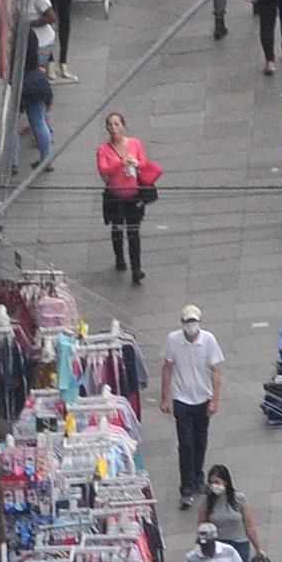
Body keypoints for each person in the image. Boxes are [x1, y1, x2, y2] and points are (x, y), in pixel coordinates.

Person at [161, 308, 225, 505]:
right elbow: (167, 368)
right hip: (182, 399)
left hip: (202, 398)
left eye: (194, 321)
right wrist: (165, 397)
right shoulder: (173, 340)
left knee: (200, 442)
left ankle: (197, 476)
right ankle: (186, 487)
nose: (191, 325)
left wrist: (214, 399)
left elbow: (215, 370)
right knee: (186, 444)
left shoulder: (208, 340)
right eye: (188, 321)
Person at [95, 112, 160, 282]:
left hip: (133, 194)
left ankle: (136, 268)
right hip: (115, 196)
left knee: (133, 232)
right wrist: (119, 164)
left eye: (117, 124)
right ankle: (119, 257)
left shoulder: (134, 143)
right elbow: (103, 170)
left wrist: (136, 164)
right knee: (117, 228)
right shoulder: (103, 149)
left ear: (123, 126)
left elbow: (143, 162)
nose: (114, 128)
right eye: (110, 125)